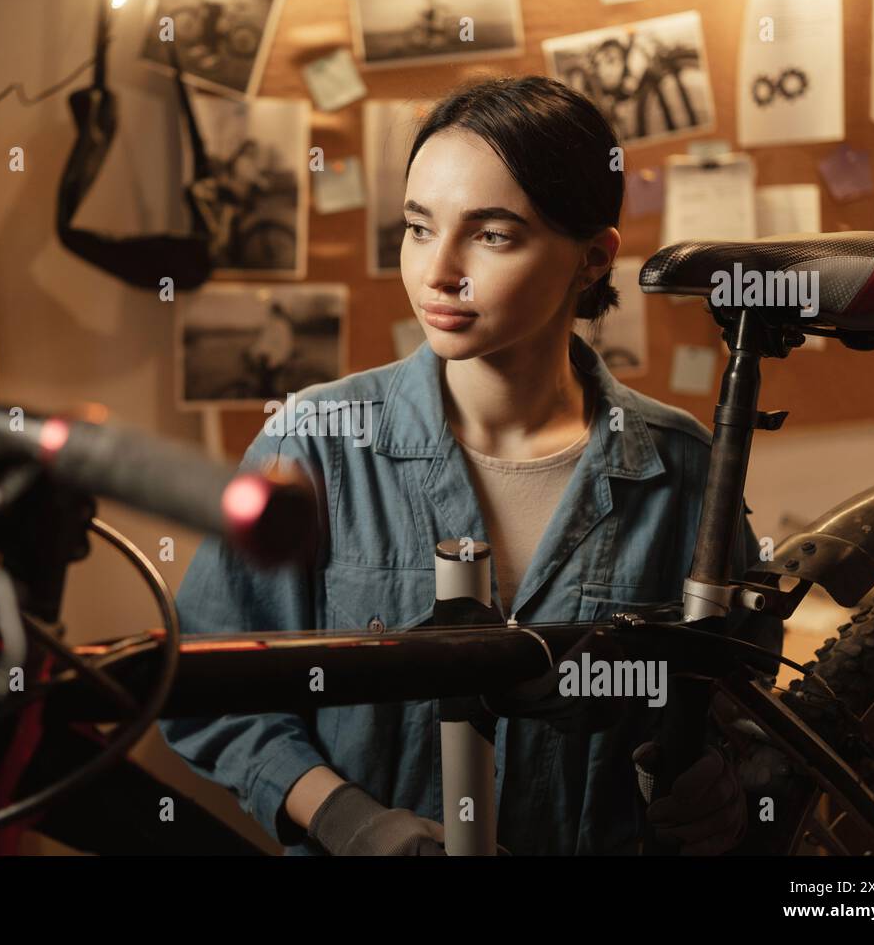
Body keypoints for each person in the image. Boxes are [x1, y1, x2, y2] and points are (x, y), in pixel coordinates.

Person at [158, 76, 782, 856]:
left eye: (491, 235)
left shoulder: (680, 465)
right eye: (419, 228)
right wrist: (346, 818)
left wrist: (723, 784)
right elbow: (207, 691)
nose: (437, 271)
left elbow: (744, 705)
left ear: (593, 258)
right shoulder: (316, 442)